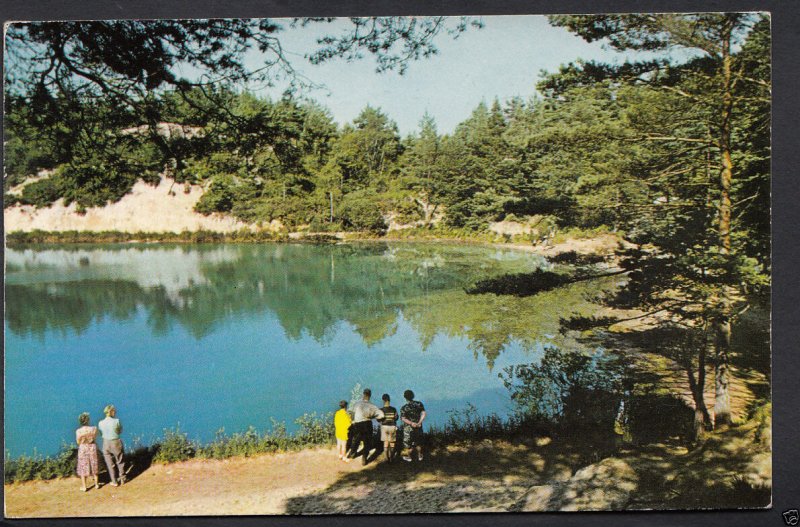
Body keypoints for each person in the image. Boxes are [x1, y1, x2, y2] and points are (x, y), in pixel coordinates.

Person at [348, 388, 384, 465]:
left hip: (357, 424)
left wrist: (352, 421)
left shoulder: (357, 404)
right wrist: (373, 417)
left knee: (355, 440)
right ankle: (364, 459)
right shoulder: (372, 406)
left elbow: (352, 414)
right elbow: (381, 415)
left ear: (363, 394)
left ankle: (352, 454)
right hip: (367, 424)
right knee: (367, 442)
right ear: (370, 395)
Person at [98, 404, 125, 486]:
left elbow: (101, 433)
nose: (115, 412)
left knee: (109, 463)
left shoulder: (100, 423)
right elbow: (119, 431)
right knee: (120, 460)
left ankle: (114, 481)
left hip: (105, 443)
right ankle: (123, 478)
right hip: (115, 441)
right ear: (111, 411)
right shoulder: (116, 421)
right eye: (114, 410)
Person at [400, 389, 426, 462]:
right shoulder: (419, 404)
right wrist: (419, 422)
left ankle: (408, 457)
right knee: (418, 441)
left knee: (407, 443)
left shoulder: (404, 407)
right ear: (413, 395)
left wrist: (411, 423)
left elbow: (403, 418)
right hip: (418, 426)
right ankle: (420, 455)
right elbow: (423, 413)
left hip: (408, 428)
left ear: (405, 397)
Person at [75, 412, 99, 491]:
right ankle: (96, 484)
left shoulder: (78, 431)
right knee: (94, 463)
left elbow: (78, 442)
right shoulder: (93, 429)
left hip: (83, 448)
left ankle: (84, 486)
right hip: (92, 446)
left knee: (83, 466)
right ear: (88, 420)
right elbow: (95, 437)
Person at [377, 393, 399, 463]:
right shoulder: (394, 409)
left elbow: (378, 419)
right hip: (392, 426)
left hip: (384, 427)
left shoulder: (381, 410)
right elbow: (396, 418)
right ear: (389, 400)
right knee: (392, 443)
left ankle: (387, 458)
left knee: (386, 443)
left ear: (383, 400)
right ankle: (391, 458)